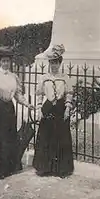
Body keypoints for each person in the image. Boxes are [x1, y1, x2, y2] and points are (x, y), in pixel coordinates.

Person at [0, 46, 34, 180]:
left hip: (9, 109)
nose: (6, 63)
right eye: (3, 61)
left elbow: (18, 95)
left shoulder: (14, 77)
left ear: (10, 62)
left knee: (9, 138)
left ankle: (8, 168)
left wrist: (27, 104)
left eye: (8, 61)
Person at [32, 45, 75, 178]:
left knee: (61, 137)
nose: (54, 65)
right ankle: (45, 168)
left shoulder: (65, 77)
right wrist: (39, 109)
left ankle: (61, 169)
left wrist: (68, 108)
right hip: (48, 107)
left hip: (60, 108)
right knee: (46, 136)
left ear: (60, 63)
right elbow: (39, 94)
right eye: (52, 63)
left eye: (56, 62)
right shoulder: (44, 78)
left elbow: (69, 93)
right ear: (49, 63)